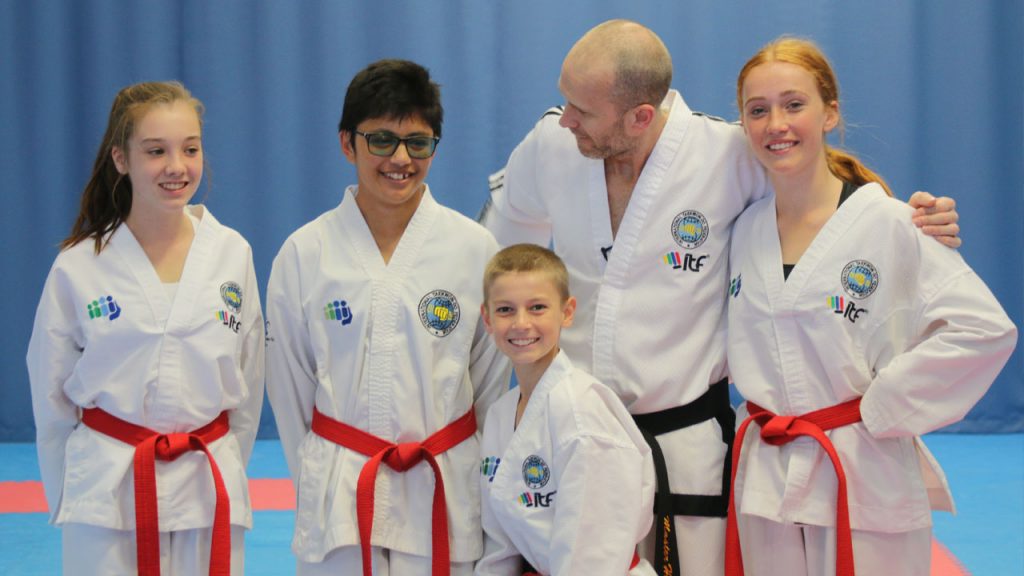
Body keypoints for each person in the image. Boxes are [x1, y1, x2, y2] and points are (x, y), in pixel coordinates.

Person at [479, 19, 963, 576]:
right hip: (574, 437)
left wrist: (908, 219)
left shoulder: (725, 155)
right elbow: (495, 248)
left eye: (582, 111)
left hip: (687, 446)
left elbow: (824, 202)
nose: (565, 119)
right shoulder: (552, 145)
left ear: (640, 116)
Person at [723, 37, 1017, 576]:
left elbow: (983, 329)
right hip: (766, 479)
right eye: (757, 110)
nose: (775, 124)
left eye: (794, 104)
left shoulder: (890, 223)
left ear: (830, 112)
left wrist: (882, 408)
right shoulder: (743, 230)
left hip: (861, 472)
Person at [265, 59, 510, 576]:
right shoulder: (305, 253)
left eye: (418, 143)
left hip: (442, 489)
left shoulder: (474, 248)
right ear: (346, 144)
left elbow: (489, 384)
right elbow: (288, 390)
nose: (400, 158)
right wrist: (320, 471)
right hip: (341, 493)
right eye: (381, 140)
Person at [26, 81, 264, 576]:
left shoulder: (231, 253)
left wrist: (228, 463)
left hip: (207, 480)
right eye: (156, 151)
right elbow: (50, 397)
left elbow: (248, 383)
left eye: (190, 149)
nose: (177, 166)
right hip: (107, 492)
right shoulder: (79, 267)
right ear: (120, 159)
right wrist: (69, 494)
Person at [474, 244, 656, 576]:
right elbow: (499, 546)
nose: (521, 323)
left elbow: (593, 552)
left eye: (537, 307)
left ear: (567, 312)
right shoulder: (501, 415)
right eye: (505, 310)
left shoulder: (581, 411)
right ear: (487, 318)